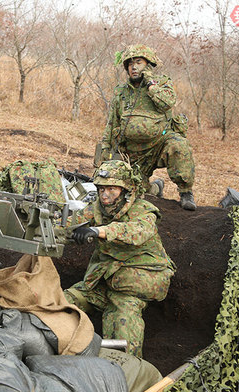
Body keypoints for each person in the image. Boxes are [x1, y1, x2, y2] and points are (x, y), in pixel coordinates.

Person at [65, 160, 175, 357]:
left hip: (134, 285)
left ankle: (122, 371)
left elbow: (137, 232)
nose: (105, 195)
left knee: (121, 328)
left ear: (126, 190)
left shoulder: (143, 211)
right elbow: (70, 222)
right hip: (101, 282)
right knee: (63, 302)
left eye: (112, 189)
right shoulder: (98, 207)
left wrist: (99, 231)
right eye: (101, 189)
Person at [94, 44, 197, 211]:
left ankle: (186, 192)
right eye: (130, 64)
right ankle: (156, 188)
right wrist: (105, 150)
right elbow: (112, 123)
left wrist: (150, 84)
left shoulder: (162, 83)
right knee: (136, 192)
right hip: (133, 152)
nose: (134, 67)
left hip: (160, 144)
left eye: (139, 62)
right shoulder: (121, 92)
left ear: (148, 64)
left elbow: (167, 103)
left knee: (179, 145)